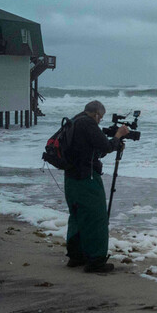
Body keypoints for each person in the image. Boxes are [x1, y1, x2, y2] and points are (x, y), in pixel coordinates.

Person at [63, 100, 129, 273]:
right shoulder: (88, 123)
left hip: (71, 177)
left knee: (77, 215)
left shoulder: (75, 121)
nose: (100, 121)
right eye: (101, 118)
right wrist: (118, 135)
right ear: (96, 114)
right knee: (96, 217)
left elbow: (91, 150)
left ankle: (76, 256)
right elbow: (106, 147)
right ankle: (96, 260)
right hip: (87, 178)